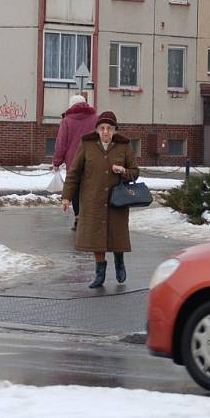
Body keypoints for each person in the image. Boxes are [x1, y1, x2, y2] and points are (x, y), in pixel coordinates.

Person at [61, 111, 139, 288]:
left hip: (116, 201)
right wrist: (66, 197)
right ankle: (100, 273)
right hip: (93, 200)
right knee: (96, 237)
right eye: (102, 128)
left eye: (109, 128)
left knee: (116, 235)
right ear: (96, 129)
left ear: (114, 131)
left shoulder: (123, 147)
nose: (105, 132)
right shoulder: (87, 145)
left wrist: (123, 171)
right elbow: (74, 173)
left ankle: (119, 263)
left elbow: (135, 171)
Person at [52, 94, 97, 230]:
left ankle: (78, 219)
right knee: (90, 190)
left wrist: (57, 161)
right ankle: (90, 218)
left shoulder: (67, 121)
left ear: (71, 105)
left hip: (73, 161)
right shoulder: (96, 119)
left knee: (76, 190)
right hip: (93, 158)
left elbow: (61, 143)